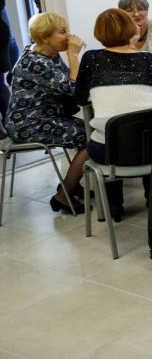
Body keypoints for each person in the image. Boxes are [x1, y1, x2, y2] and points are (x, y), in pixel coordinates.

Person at [75, 8, 152, 221]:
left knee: (105, 136)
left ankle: (113, 208)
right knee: (146, 131)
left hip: (108, 151)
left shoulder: (90, 59)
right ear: (130, 28)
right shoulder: (148, 60)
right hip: (148, 148)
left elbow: (80, 98)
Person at [5, 12, 88, 214]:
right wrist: (74, 55)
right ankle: (64, 194)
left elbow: (73, 84)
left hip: (46, 117)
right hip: (28, 124)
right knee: (91, 137)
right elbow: (73, 88)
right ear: (44, 37)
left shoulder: (48, 55)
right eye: (62, 32)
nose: (68, 36)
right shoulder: (36, 62)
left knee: (91, 129)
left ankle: (71, 183)